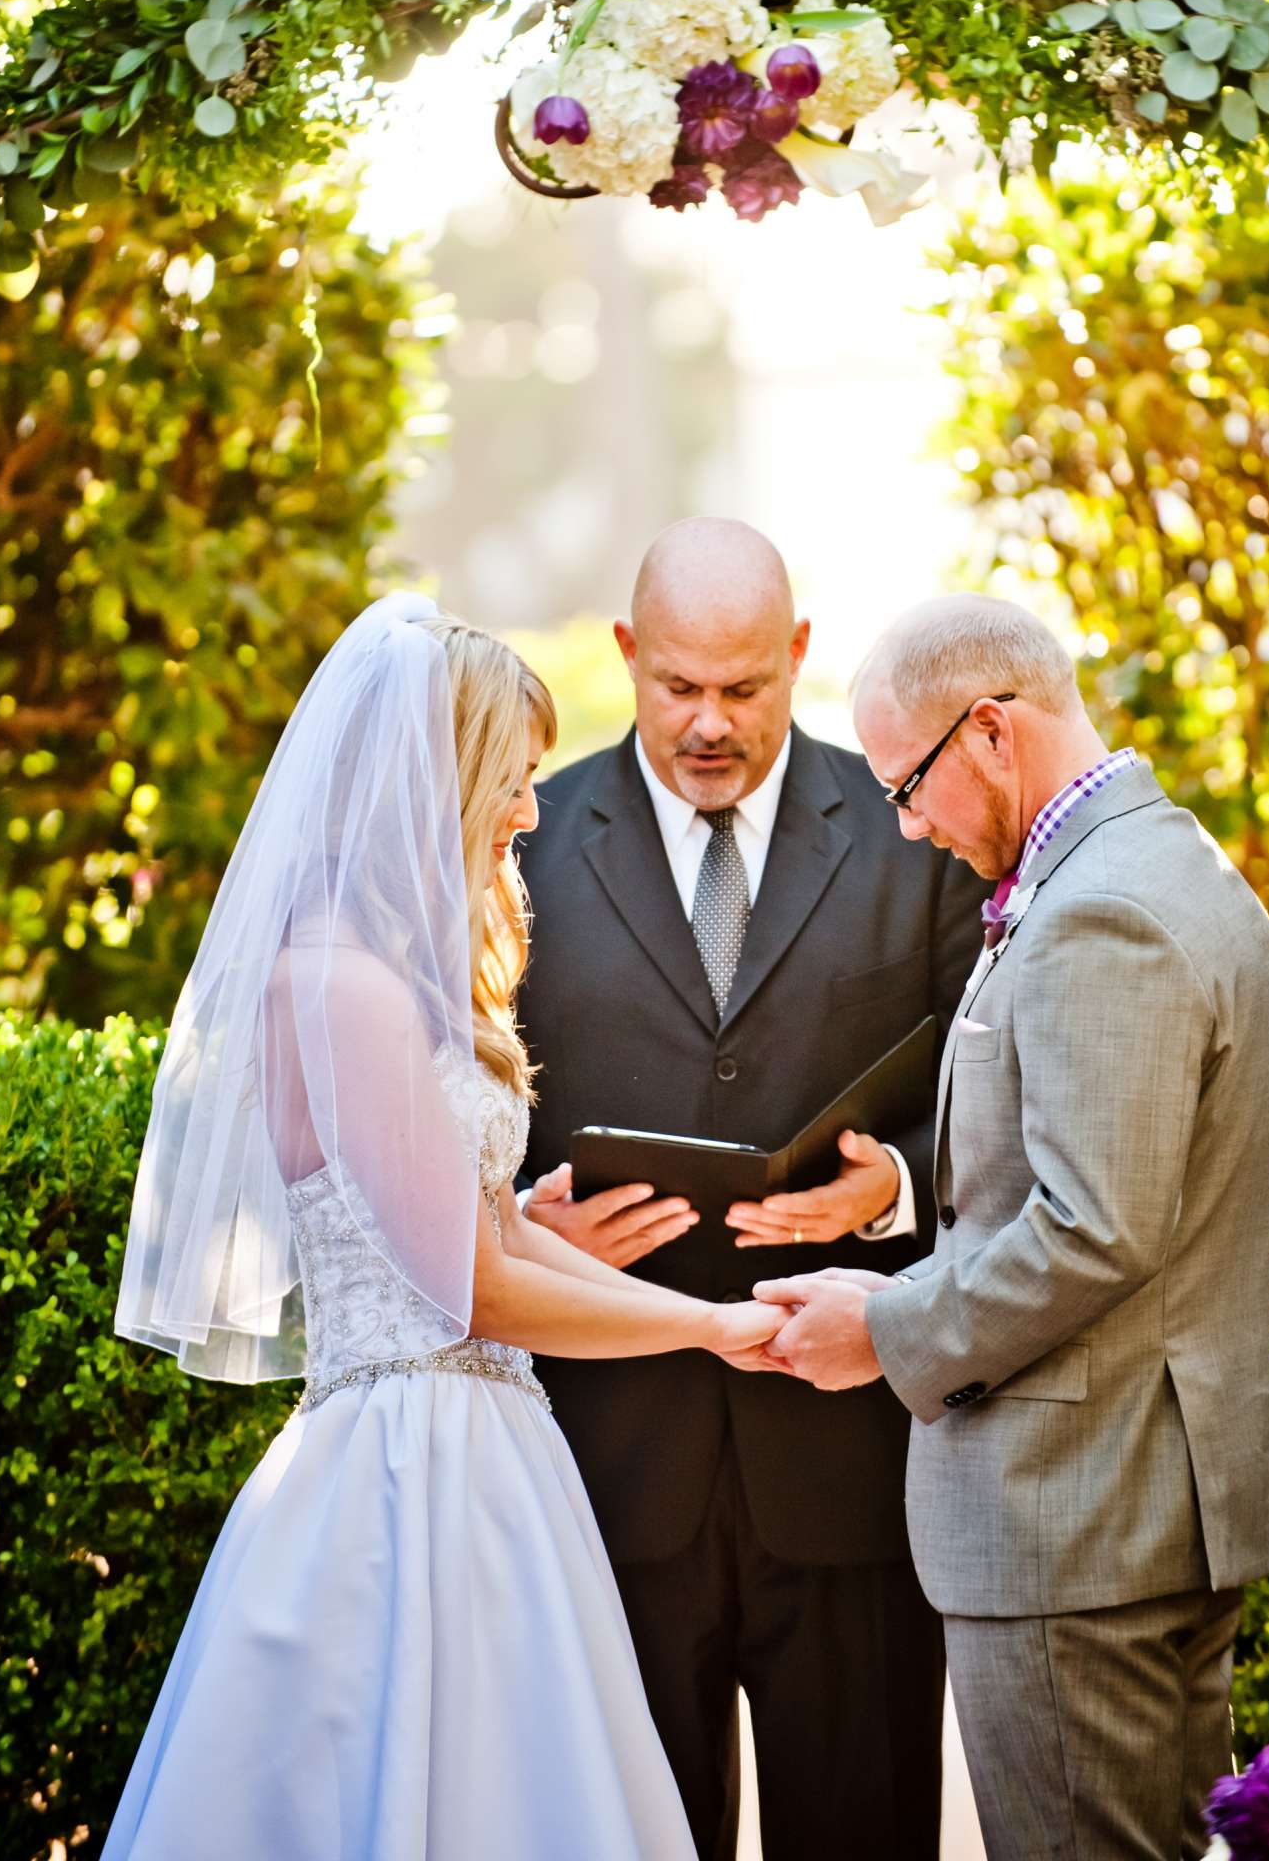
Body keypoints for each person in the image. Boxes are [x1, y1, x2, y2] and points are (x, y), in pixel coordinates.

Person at [103, 593, 783, 1861]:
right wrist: (711, 1325)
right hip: (407, 1469)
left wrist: (539, 1229)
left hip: (483, 1449)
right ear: (440, 778)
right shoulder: (342, 984)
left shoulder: (384, 981)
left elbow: (475, 1245)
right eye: (510, 780)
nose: (530, 811)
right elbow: (469, 1295)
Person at [757, 593, 1269, 1861]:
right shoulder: (1159, 865)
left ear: (992, 732)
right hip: (1135, 1511)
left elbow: (1094, 1230)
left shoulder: (1101, 911)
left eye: (910, 785)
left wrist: (883, 1328)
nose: (906, 826)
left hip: (1080, 1527)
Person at [516, 522, 984, 1861]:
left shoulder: (915, 843)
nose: (710, 722)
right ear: (625, 656)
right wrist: (530, 1223)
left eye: (744, 687)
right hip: (609, 1475)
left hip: (850, 1473)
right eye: (677, 688)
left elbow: (993, 1092)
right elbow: (455, 1113)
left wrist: (890, 1188)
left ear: (798, 657)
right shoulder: (526, 849)